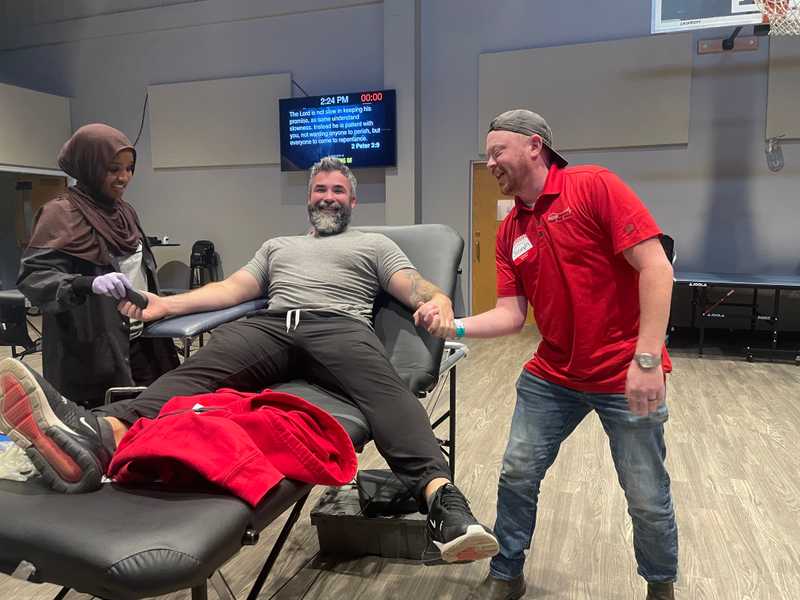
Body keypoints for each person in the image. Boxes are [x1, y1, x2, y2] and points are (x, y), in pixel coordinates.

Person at [0, 156, 499, 564]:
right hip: (272, 326)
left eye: (338, 191)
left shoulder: (373, 244)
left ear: (352, 200)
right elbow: (231, 289)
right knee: (193, 374)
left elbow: (415, 286)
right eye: (320, 189)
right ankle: (98, 435)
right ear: (309, 198)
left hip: (339, 326)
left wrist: (438, 302)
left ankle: (441, 501)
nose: (328, 197)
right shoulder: (277, 246)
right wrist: (165, 304)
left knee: (385, 392)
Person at [421, 110, 678, 600]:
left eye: (498, 151)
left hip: (624, 371)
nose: (490, 161)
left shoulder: (593, 186)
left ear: (534, 146)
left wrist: (647, 359)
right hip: (555, 372)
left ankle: (660, 586)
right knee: (518, 472)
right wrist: (451, 325)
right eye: (488, 153)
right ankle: (506, 571)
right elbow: (510, 315)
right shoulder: (510, 230)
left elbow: (656, 267)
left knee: (645, 494)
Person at [17, 123, 178, 408]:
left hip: (144, 341)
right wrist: (85, 283)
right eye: (114, 168)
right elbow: (34, 278)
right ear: (89, 166)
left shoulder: (125, 211)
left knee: (151, 418)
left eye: (129, 168)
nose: (124, 177)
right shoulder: (60, 212)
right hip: (93, 353)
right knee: (105, 430)